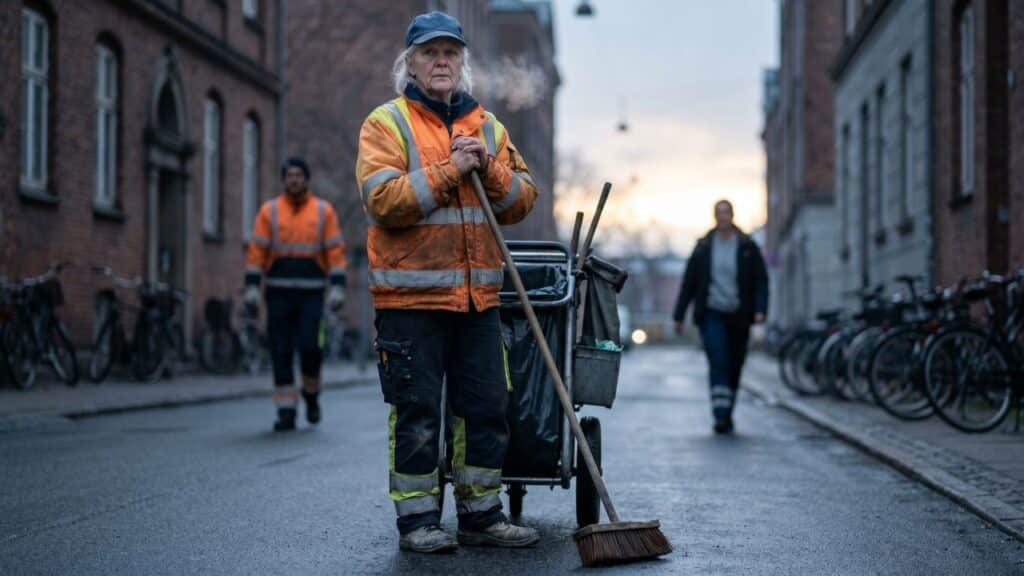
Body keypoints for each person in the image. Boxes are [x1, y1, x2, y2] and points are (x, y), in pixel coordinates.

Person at [355, 11, 540, 554]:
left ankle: (482, 515)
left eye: (450, 53)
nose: (441, 62)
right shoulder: (385, 124)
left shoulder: (489, 127)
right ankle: (417, 523)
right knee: (416, 412)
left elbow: (522, 201)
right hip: (409, 299)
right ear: (408, 63)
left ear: (463, 63)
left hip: (478, 299)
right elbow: (383, 201)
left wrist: (489, 168)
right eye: (429, 53)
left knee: (485, 406)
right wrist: (450, 171)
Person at [244, 157, 347, 432]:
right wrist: (252, 286)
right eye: (289, 175)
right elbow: (257, 251)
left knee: (311, 348)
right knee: (280, 350)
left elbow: (335, 251)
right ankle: (286, 409)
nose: (294, 180)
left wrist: (338, 286)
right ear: (283, 179)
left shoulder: (323, 211)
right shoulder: (270, 211)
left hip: (312, 293)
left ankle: (311, 396)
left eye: (299, 175)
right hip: (277, 291)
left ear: (306, 179)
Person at [673, 200, 768, 434]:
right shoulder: (704, 246)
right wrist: (679, 315)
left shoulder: (747, 246)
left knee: (735, 363)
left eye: (727, 213)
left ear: (732, 215)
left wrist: (760, 309)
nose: (723, 217)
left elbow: (761, 281)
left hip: (739, 314)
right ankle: (720, 415)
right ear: (714, 217)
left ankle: (728, 408)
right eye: (719, 213)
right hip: (711, 313)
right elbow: (689, 282)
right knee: (718, 359)